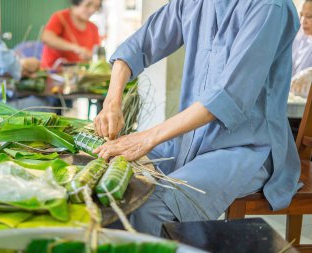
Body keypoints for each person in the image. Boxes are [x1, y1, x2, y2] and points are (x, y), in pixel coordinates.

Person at [93, 0, 301, 236]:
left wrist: (145, 138)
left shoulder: (270, 7)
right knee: (107, 181)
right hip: (188, 141)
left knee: (151, 207)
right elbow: (141, 43)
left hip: (247, 149)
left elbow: (227, 96)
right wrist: (112, 101)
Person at [41, 0, 101, 69]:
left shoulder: (93, 28)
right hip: (53, 72)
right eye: (88, 5)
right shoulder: (60, 17)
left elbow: (94, 54)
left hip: (79, 74)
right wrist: (75, 48)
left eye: (96, 7)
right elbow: (47, 38)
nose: (92, 10)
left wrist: (90, 56)